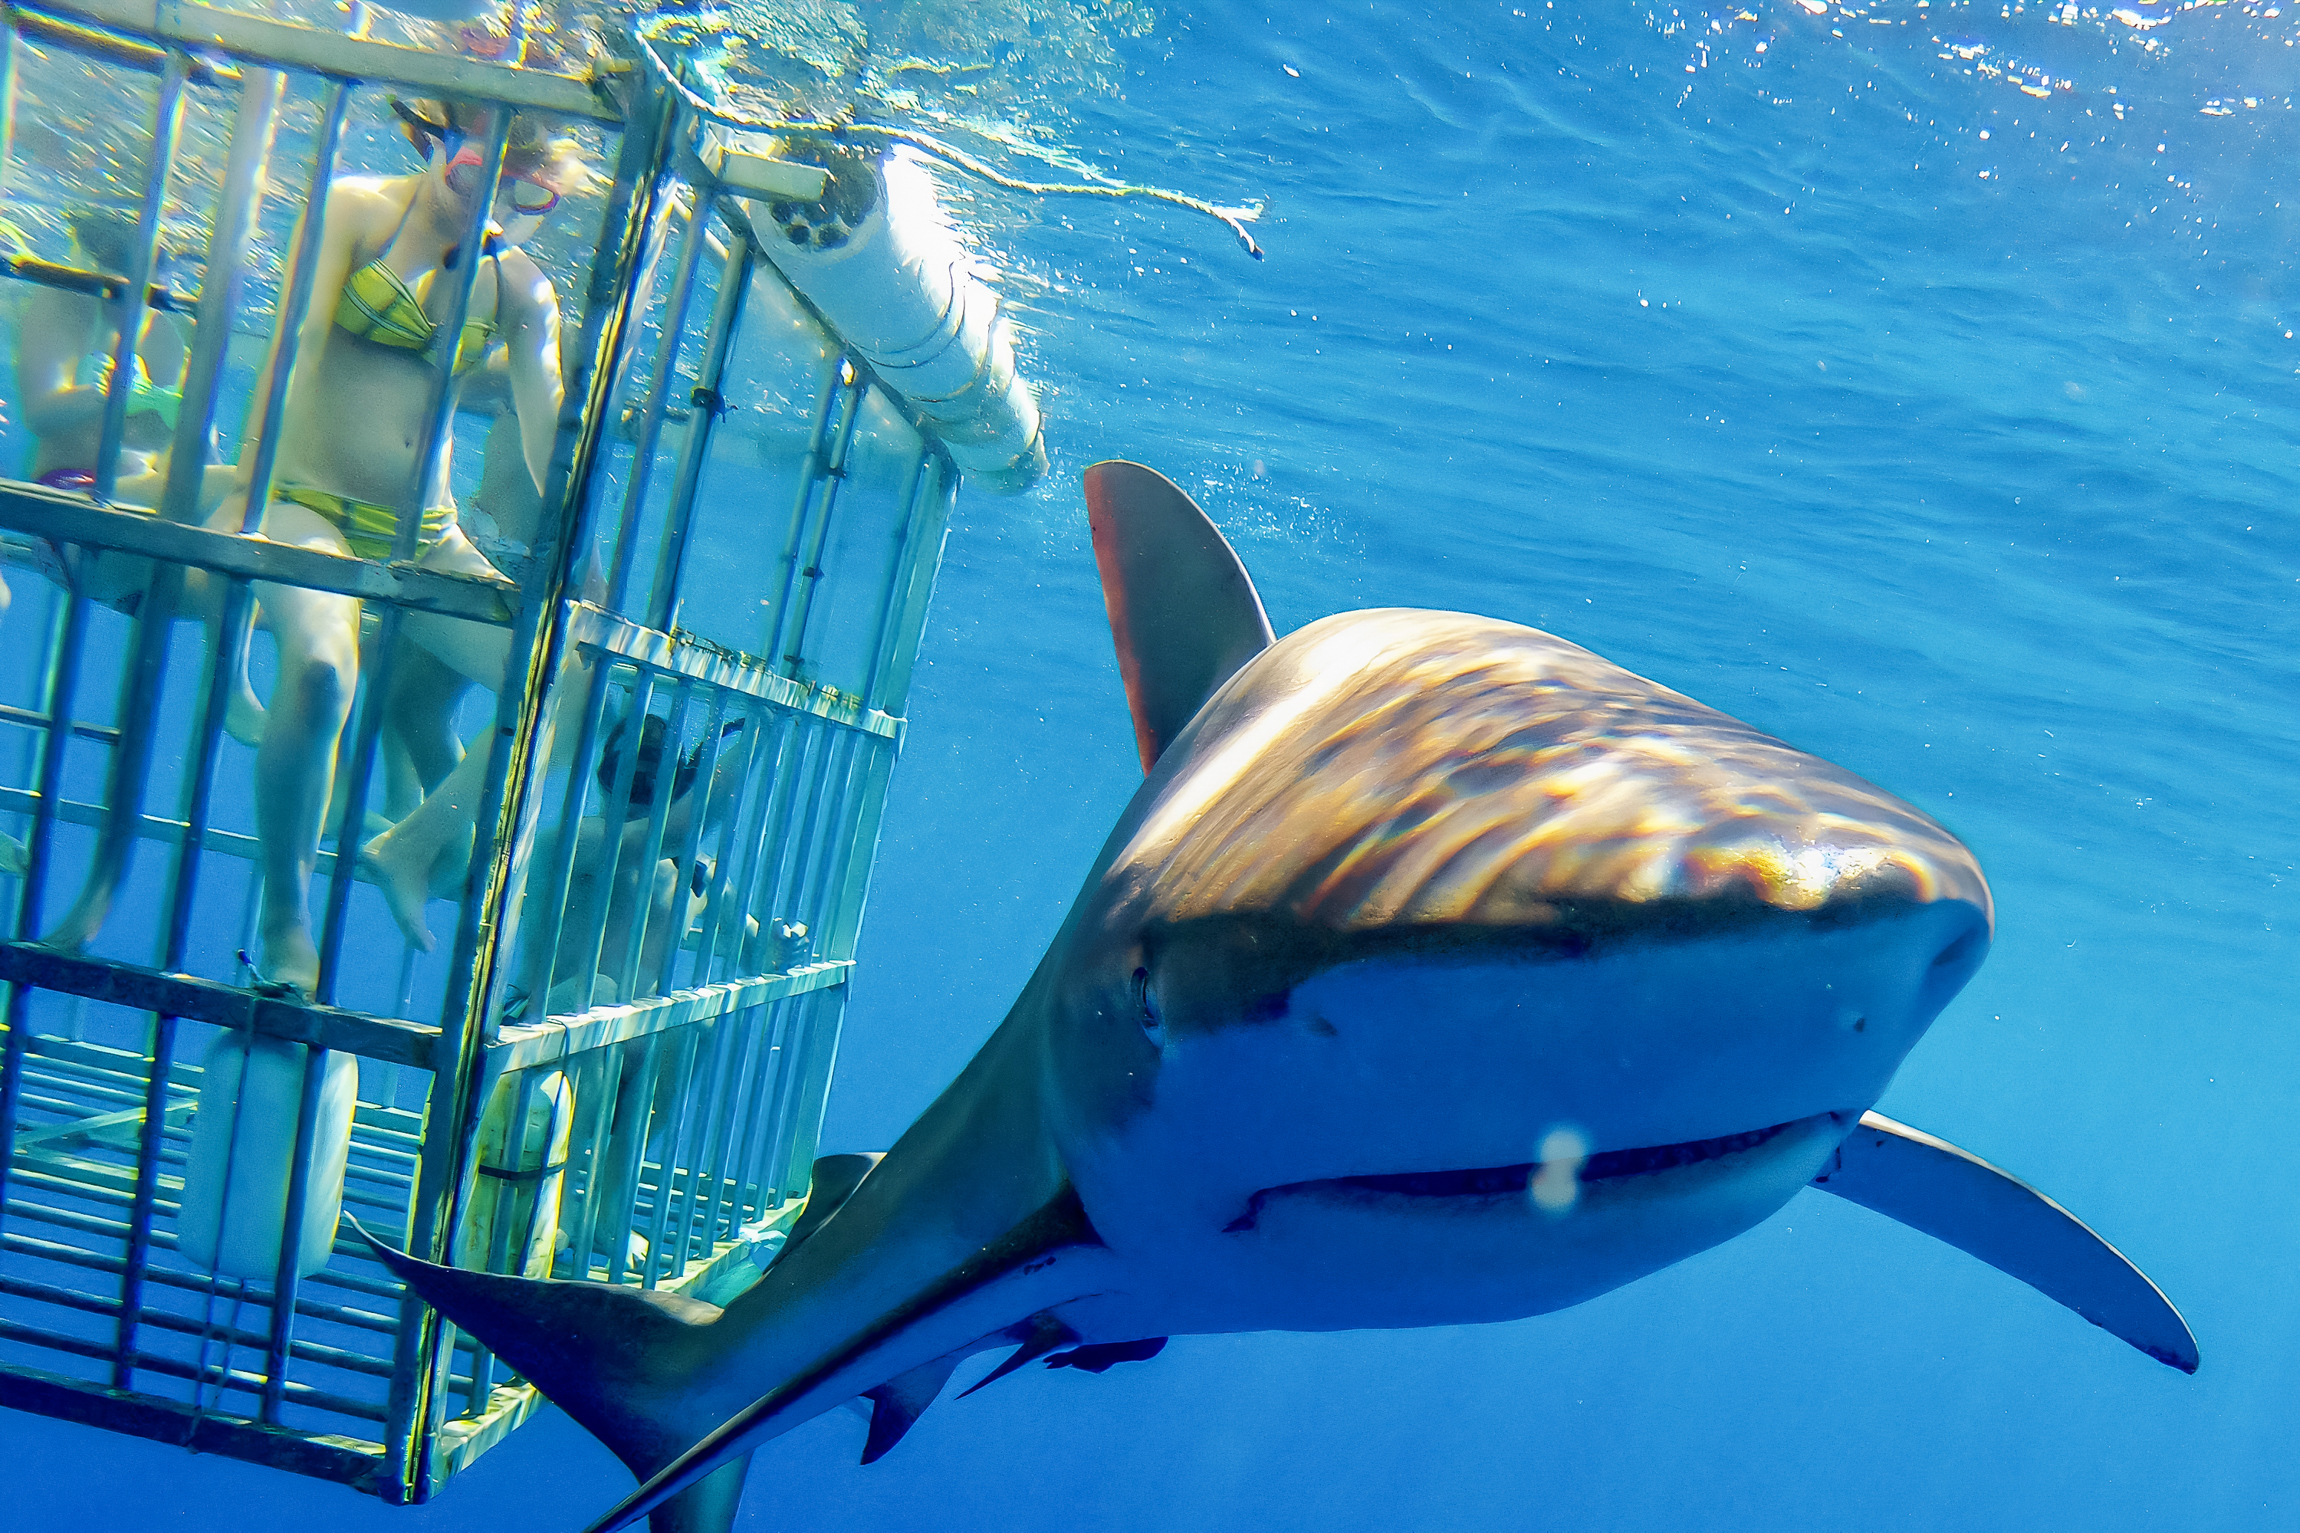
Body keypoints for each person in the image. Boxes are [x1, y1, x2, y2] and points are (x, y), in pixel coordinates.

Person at [216, 99, 589, 993]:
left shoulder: (524, 287)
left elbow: (549, 434)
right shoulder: (354, 207)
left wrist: (579, 545)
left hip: (426, 531)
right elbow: (294, 345)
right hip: (307, 501)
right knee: (319, 675)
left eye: (527, 195)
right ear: (436, 145)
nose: (491, 202)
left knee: (566, 682)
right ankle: (284, 920)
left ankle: (412, 845)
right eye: (473, 172)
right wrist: (243, 483)